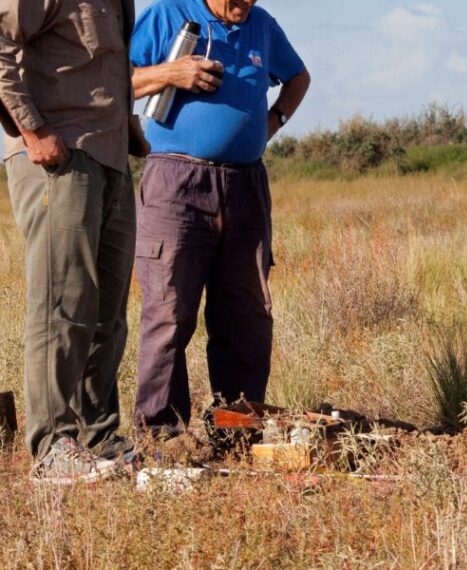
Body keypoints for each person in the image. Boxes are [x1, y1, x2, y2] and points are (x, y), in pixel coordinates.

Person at [129, 0, 310, 437]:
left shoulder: (262, 25)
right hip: (176, 182)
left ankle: (237, 429)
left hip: (245, 184)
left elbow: (297, 77)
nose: (244, 5)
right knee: (169, 309)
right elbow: (115, 81)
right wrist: (172, 74)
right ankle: (162, 436)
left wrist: (272, 122)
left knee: (246, 311)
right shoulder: (168, 15)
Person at [0, 0, 138, 483]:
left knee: (107, 314)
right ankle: (52, 446)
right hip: (59, 157)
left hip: (111, 157)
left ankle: (99, 438)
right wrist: (32, 129)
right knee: (63, 304)